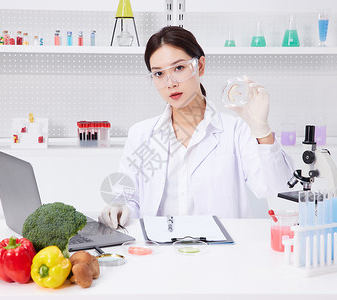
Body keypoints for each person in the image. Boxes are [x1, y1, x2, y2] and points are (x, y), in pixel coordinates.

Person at [99, 26, 293, 229]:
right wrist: (121, 208)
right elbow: (131, 198)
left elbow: (277, 189)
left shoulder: (237, 130)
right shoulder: (141, 134)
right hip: (158, 252)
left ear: (200, 66)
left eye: (179, 68)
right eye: (158, 74)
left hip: (222, 253)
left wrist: (262, 131)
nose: (170, 82)